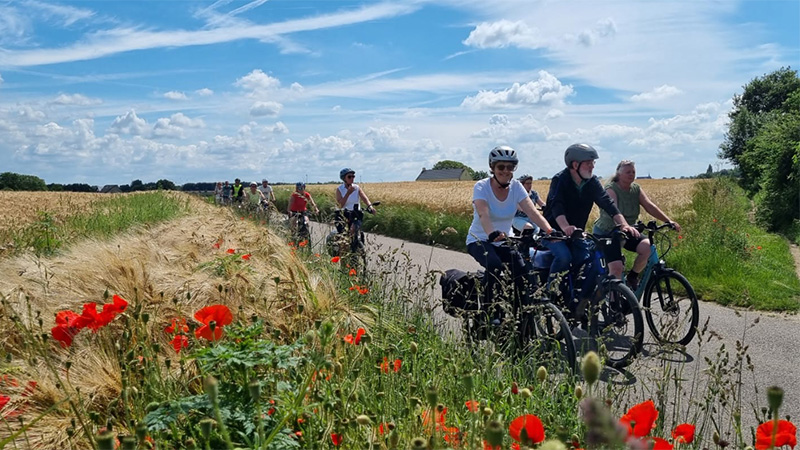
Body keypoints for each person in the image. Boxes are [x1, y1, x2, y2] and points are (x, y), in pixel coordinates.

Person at [542, 143, 640, 308]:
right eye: (589, 162)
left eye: (593, 162)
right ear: (575, 164)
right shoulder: (561, 179)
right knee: (564, 256)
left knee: (586, 260)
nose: (593, 166)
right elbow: (556, 205)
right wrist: (565, 227)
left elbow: (606, 202)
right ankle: (551, 294)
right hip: (554, 233)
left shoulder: (591, 181)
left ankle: (580, 300)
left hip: (577, 233)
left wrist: (623, 224)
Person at [466, 146, 553, 320]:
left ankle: (519, 314)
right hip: (480, 239)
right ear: (492, 168)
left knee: (523, 272)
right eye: (501, 167)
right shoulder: (482, 186)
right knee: (495, 266)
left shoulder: (516, 187)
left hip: (505, 239)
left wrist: (550, 230)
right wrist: (491, 233)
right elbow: (483, 213)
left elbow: (532, 211)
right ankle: (489, 312)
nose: (505, 171)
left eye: (510, 167)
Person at [593, 160, 682, 290]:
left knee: (646, 247)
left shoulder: (636, 189)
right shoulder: (611, 189)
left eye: (633, 172)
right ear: (619, 173)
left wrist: (668, 221)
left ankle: (633, 276)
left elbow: (649, 206)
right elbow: (614, 210)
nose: (631, 174)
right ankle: (614, 305)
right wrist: (623, 225)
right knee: (616, 269)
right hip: (607, 232)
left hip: (628, 230)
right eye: (628, 172)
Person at [335, 168, 376, 249]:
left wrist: (370, 206)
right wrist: (348, 193)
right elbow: (340, 205)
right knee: (344, 236)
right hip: (344, 214)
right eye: (349, 177)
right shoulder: (340, 189)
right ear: (344, 178)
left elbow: (364, 198)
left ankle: (359, 248)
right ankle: (343, 251)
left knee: (357, 231)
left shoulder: (357, 187)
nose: (352, 178)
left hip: (356, 213)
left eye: (353, 176)